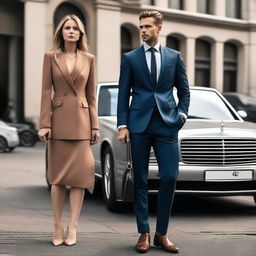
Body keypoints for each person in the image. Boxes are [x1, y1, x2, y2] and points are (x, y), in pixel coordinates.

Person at [117, 10, 190, 253]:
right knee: (140, 179)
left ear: (159, 28)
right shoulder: (130, 58)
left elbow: (184, 90)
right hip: (139, 125)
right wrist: (123, 124)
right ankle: (143, 233)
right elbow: (123, 94)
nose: (143, 30)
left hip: (167, 124)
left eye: (148, 26)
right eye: (141, 27)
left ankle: (162, 233)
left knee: (170, 176)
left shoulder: (174, 57)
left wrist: (182, 114)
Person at [38, 14, 100, 246]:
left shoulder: (90, 58)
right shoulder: (50, 57)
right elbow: (46, 92)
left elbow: (92, 97)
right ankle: (56, 225)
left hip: (83, 122)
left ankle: (72, 226)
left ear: (81, 33)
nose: (71, 31)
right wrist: (44, 123)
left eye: (75, 28)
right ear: (61, 32)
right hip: (59, 121)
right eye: (67, 28)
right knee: (58, 178)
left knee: (80, 178)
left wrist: (95, 125)